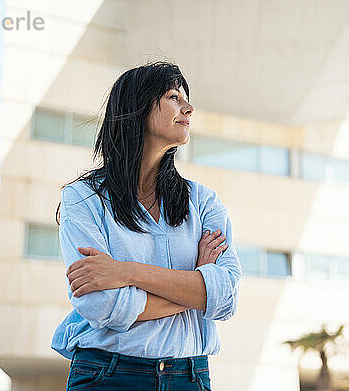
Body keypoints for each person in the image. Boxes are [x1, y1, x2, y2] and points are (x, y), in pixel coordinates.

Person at [50, 61, 243, 390]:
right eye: (173, 96)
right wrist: (196, 287)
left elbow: (226, 296)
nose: (189, 107)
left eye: (186, 98)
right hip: (107, 375)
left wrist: (125, 272)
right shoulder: (82, 199)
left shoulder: (204, 202)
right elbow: (101, 304)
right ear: (137, 107)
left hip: (190, 376)